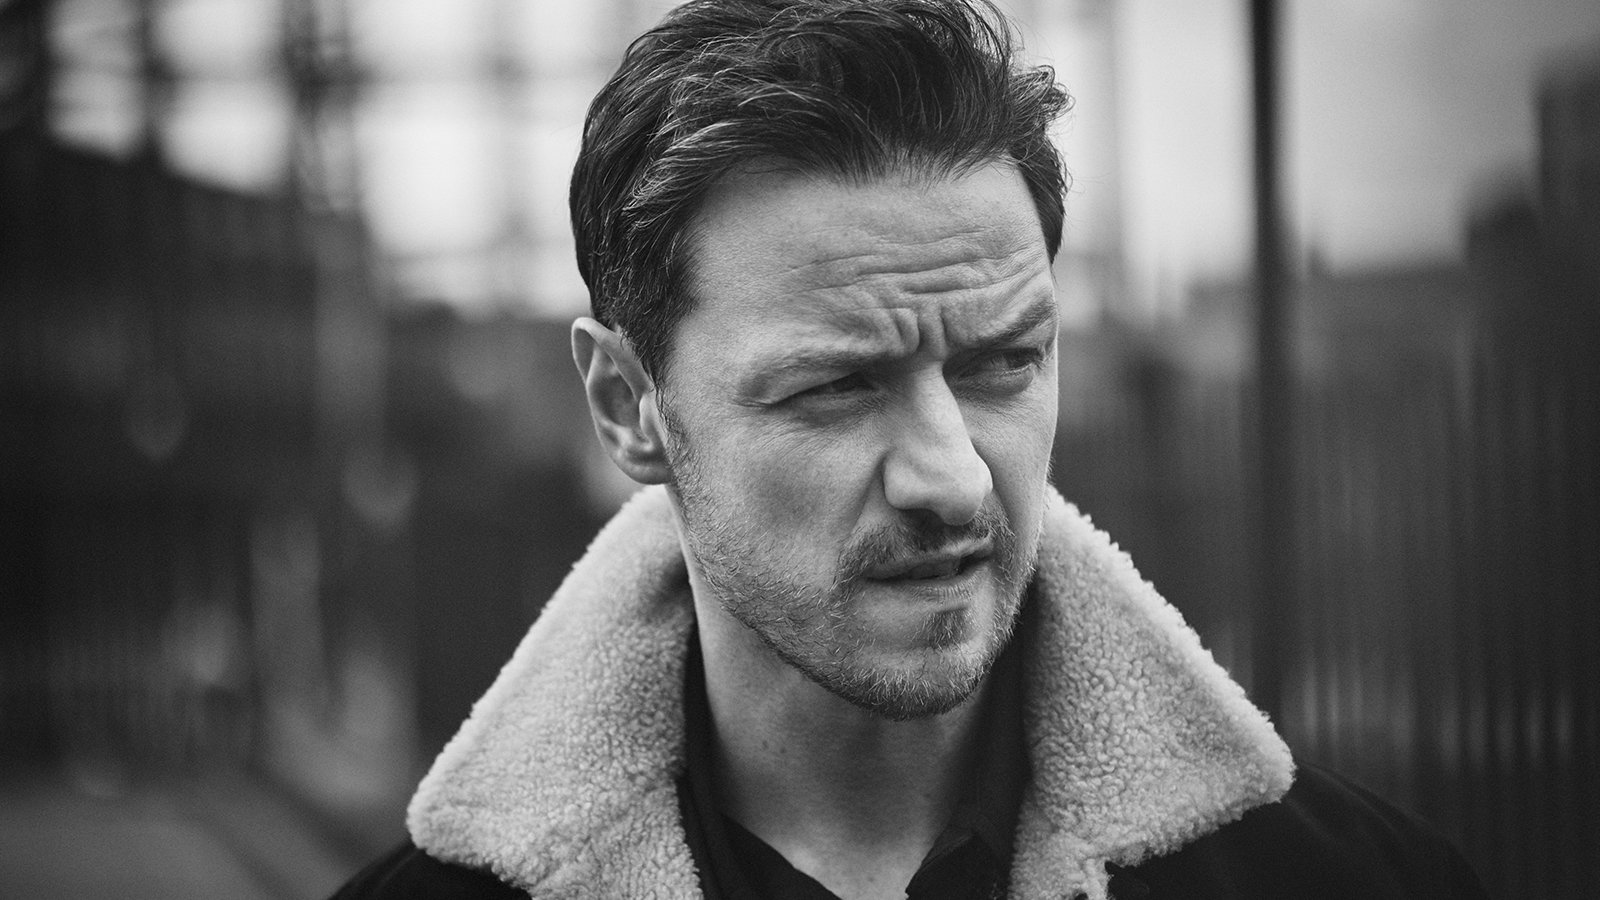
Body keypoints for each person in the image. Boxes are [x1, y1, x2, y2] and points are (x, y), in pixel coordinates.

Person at [332, 1, 1488, 897]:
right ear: (630, 408)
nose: (951, 476)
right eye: (837, 386)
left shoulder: (1351, 882)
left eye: (1003, 363)